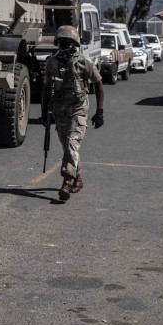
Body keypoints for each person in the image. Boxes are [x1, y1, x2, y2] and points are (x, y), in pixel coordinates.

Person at [42, 25, 105, 201]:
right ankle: (78, 178)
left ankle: (67, 181)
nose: (63, 45)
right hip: (59, 111)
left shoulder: (83, 61)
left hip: (78, 109)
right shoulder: (52, 62)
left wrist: (99, 111)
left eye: (67, 42)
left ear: (75, 44)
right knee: (68, 147)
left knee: (72, 143)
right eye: (61, 42)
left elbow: (99, 84)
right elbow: (46, 87)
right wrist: (44, 112)